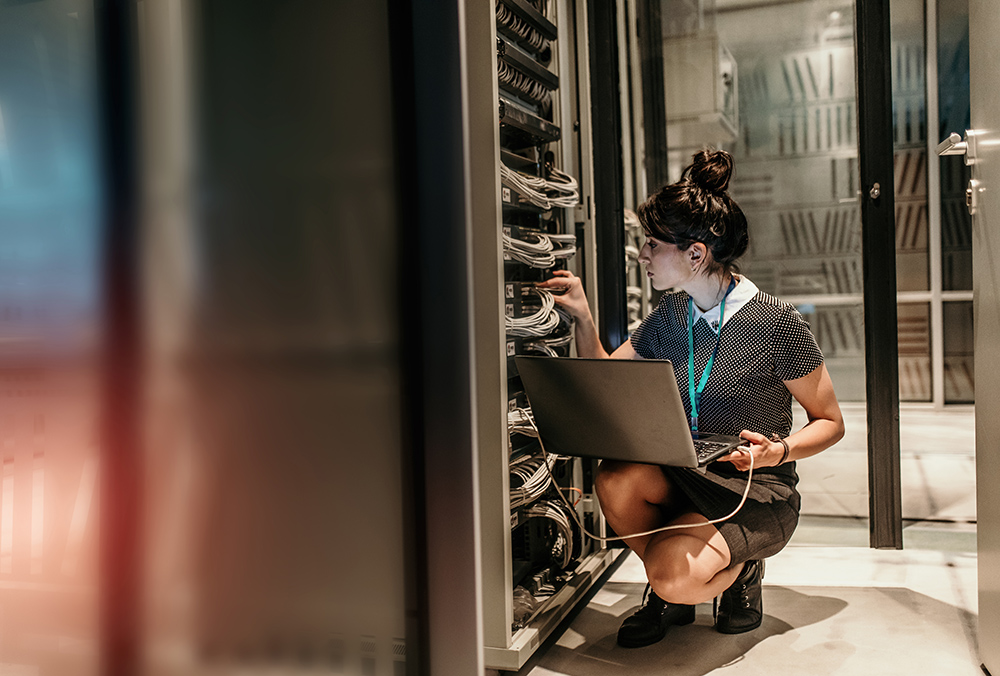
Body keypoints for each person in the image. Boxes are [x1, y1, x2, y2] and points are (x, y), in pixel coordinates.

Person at [536, 149, 844, 647]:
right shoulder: (669, 316)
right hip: (684, 470)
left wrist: (777, 452)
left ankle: (733, 573)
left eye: (651, 244)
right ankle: (672, 583)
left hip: (753, 485)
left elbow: (830, 421)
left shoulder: (776, 321)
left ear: (696, 254)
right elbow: (605, 381)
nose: (642, 255)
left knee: (673, 578)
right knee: (615, 479)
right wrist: (582, 317)